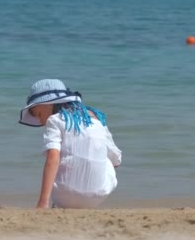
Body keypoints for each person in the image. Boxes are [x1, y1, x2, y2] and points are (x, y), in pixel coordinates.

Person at [19, 79, 122, 209]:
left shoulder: (54, 120)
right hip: (98, 196)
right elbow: (116, 161)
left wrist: (42, 202)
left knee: (54, 154)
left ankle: (53, 202)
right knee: (106, 158)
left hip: (64, 196)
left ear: (47, 104)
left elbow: (53, 159)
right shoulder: (97, 120)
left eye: (37, 114)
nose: (39, 120)